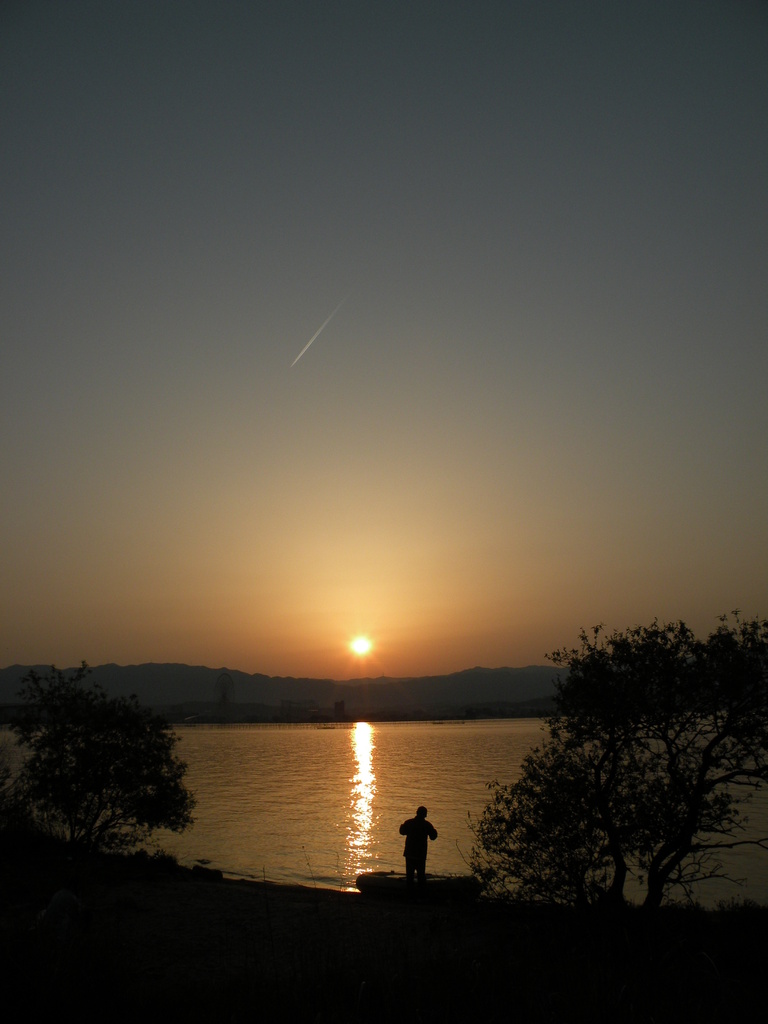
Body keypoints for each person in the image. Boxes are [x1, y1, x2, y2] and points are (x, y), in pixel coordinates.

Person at [399, 805, 437, 890]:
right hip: (420, 855)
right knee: (421, 877)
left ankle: (410, 896)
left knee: (410, 877)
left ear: (417, 813)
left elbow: (402, 832)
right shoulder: (427, 825)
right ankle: (420, 896)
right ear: (425, 815)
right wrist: (434, 831)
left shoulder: (409, 823)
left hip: (410, 854)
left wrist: (402, 826)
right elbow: (433, 837)